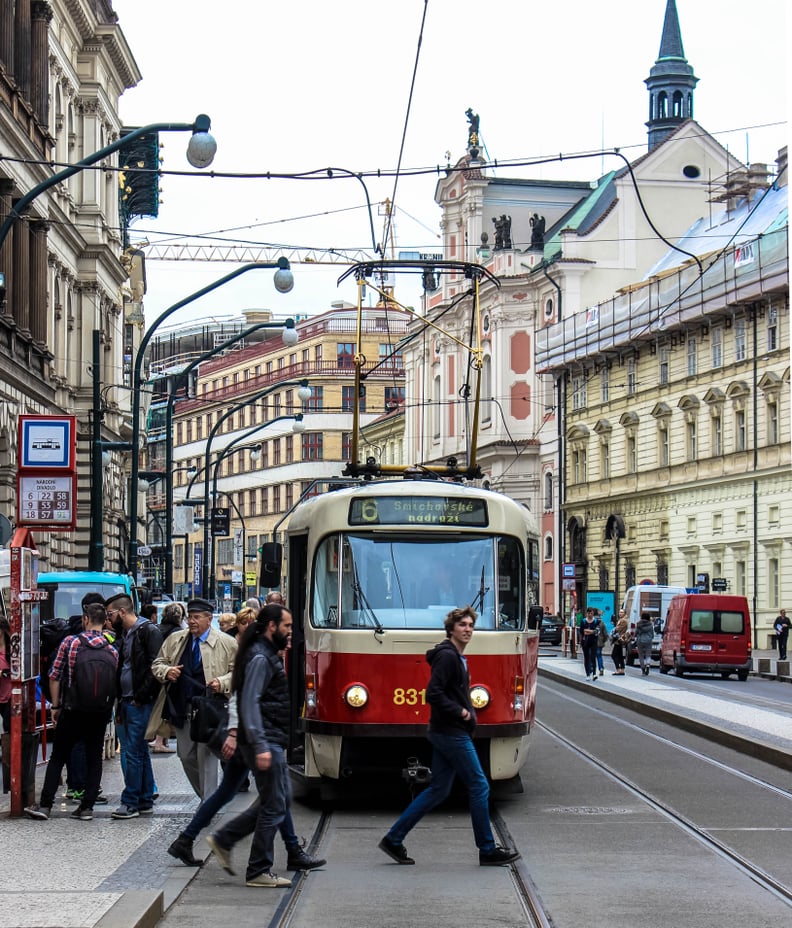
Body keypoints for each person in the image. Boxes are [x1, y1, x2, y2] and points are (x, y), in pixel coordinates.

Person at [379, 606, 520, 868]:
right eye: (462, 625)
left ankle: (393, 839)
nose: (468, 629)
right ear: (451, 629)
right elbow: (433, 693)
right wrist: (462, 712)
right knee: (479, 786)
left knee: (438, 790)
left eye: (470, 625)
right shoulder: (448, 657)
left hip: (446, 731)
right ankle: (487, 849)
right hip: (451, 732)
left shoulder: (457, 656)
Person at [167, 687, 325, 872]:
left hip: (249, 736)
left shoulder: (264, 659)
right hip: (253, 739)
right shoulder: (259, 658)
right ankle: (291, 851)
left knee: (229, 792)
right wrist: (234, 733)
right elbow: (240, 693)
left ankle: (185, 840)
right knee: (276, 794)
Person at [206, 603, 305, 888]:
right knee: (275, 804)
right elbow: (249, 701)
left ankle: (225, 839)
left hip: (266, 737)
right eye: (286, 626)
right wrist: (260, 744)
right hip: (263, 739)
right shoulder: (261, 658)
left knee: (278, 800)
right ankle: (258, 869)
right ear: (272, 627)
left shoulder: (264, 654)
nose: (290, 632)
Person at [24, 603, 118, 821]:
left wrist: (55, 706)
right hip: (99, 712)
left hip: (73, 709)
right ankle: (87, 808)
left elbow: (55, 675)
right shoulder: (111, 648)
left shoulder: (71, 642)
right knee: (94, 758)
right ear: (104, 621)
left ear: (85, 619)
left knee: (59, 756)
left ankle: (45, 805)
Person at [150, 598, 237, 800]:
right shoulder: (176, 640)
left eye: (197, 617)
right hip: (182, 707)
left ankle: (207, 804)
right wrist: (167, 671)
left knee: (206, 758)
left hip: (210, 709)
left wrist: (221, 682)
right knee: (186, 756)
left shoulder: (227, 643)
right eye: (189, 617)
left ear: (209, 619)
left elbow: (239, 673)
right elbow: (158, 663)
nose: (191, 621)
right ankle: (209, 799)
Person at [110, 593, 163, 819]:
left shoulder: (147, 631)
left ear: (122, 612)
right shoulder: (127, 633)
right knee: (138, 751)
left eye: (111, 613)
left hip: (137, 701)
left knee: (132, 751)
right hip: (126, 700)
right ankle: (144, 798)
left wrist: (140, 696)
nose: (109, 618)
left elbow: (155, 666)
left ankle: (130, 801)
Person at [579, 608, 601, 682]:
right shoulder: (583, 621)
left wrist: (588, 631)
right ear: (586, 614)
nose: (590, 615)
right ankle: (587, 674)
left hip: (593, 641)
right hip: (585, 642)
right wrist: (592, 631)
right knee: (586, 657)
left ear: (593, 614)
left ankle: (594, 674)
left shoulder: (596, 621)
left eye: (591, 613)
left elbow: (597, 631)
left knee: (593, 657)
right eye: (588, 613)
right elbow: (583, 632)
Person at [635, 611, 654, 675]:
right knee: (648, 654)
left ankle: (643, 668)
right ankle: (648, 664)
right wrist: (651, 638)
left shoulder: (638, 624)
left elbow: (636, 633)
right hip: (648, 640)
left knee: (641, 655)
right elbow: (652, 633)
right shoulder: (650, 624)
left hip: (640, 640)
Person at [610, 611, 629, 675]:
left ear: (624, 613)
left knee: (614, 655)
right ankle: (622, 669)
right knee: (620, 655)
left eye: (622, 612)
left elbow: (617, 629)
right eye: (619, 612)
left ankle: (618, 669)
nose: (620, 613)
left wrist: (614, 629)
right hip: (620, 639)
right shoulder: (622, 620)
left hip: (619, 639)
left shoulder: (623, 621)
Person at [595, 613, 609, 677]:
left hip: (592, 642)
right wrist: (603, 641)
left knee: (592, 656)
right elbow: (606, 634)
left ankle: (592, 668)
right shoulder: (602, 623)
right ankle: (601, 668)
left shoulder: (591, 623)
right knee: (599, 656)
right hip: (600, 643)